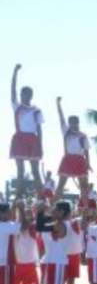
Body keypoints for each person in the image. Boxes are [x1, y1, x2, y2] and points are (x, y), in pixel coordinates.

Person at [36, 201, 75, 284]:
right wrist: (41, 210)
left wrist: (40, 211)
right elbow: (41, 223)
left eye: (56, 209)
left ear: (62, 212)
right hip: (51, 262)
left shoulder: (61, 224)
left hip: (58, 263)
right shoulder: (56, 221)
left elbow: (39, 226)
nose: (53, 210)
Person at [10, 64, 44, 197]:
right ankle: (19, 200)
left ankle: (42, 199)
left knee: (35, 171)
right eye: (24, 94)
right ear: (21, 95)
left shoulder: (37, 110)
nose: (27, 96)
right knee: (20, 171)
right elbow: (12, 90)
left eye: (29, 94)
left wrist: (40, 146)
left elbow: (40, 129)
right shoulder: (17, 106)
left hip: (33, 140)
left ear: (32, 95)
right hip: (19, 139)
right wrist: (15, 72)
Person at [54, 97, 91, 204]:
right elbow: (61, 117)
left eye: (75, 123)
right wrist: (58, 104)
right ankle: (52, 205)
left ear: (78, 123)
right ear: (69, 123)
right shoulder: (66, 131)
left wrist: (88, 164)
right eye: (71, 123)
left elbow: (87, 150)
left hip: (80, 159)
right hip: (68, 158)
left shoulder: (83, 135)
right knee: (61, 184)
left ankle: (86, 209)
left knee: (83, 186)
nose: (74, 124)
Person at [15, 205, 45, 284]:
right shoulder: (15, 227)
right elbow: (21, 225)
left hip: (29, 266)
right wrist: (20, 211)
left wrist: (21, 210)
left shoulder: (33, 228)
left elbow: (25, 224)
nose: (25, 217)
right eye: (23, 214)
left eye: (28, 214)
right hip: (15, 266)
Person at [0, 202, 22, 284]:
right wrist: (20, 208)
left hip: (4, 265)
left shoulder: (7, 225)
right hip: (5, 266)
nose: (10, 214)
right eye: (8, 211)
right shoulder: (6, 226)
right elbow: (22, 225)